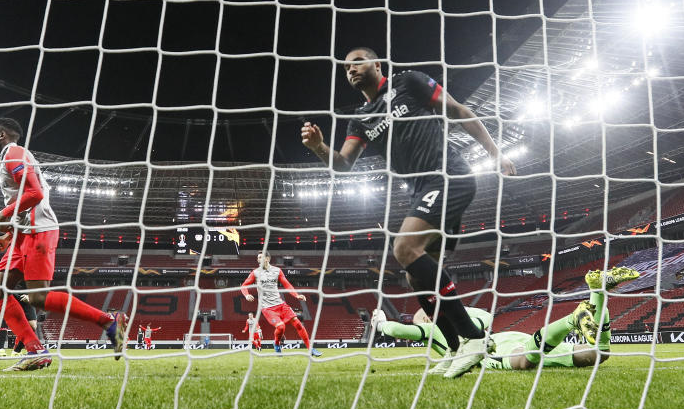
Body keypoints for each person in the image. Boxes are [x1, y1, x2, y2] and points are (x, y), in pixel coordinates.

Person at [301, 48, 515, 369]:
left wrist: (495, 153)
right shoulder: (361, 118)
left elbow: (457, 110)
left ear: (376, 64)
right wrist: (318, 147)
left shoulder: (409, 82)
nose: (351, 70)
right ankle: (454, 349)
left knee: (405, 248)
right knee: (417, 276)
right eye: (346, 68)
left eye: (357, 62)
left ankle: (474, 336)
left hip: (448, 176)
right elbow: (343, 163)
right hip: (421, 192)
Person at [0, 117, 125, 371]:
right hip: (23, 232)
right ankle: (35, 350)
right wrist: (8, 234)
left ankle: (108, 321)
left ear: (2, 135)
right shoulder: (10, 155)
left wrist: (5, 213)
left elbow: (35, 193)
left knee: (38, 298)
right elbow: (28, 199)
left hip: (39, 229)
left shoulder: (13, 153)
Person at [371, 266, 639, 377]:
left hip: (493, 350)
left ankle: (573, 319)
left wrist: (381, 322)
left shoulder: (433, 327)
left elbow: (397, 328)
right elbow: (487, 317)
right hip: (513, 337)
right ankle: (598, 292)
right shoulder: (467, 315)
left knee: (524, 363)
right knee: (598, 354)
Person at [241, 251, 321, 356]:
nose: (258, 259)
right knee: (281, 327)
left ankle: (310, 349)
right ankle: (277, 344)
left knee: (298, 324)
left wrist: (296, 295)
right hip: (267, 308)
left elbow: (287, 284)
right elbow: (244, 285)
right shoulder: (255, 273)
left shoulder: (277, 271)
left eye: (260, 257)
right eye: (257, 258)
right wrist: (246, 294)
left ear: (267, 259)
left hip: (281, 304)